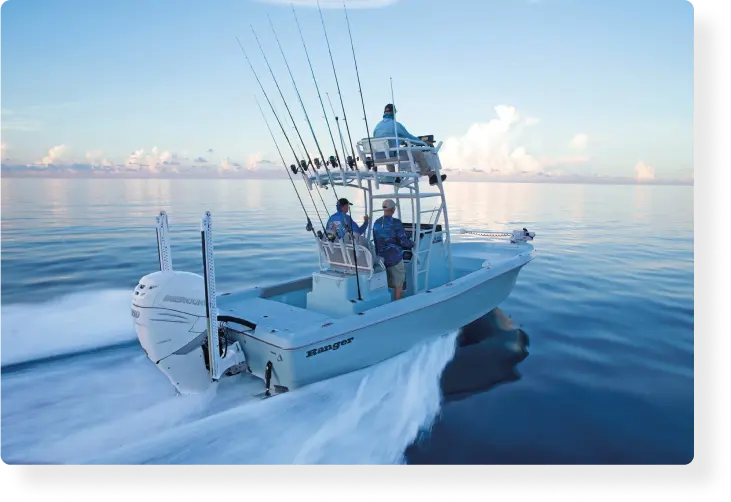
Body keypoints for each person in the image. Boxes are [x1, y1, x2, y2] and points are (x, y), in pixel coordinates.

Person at [372, 103, 447, 186]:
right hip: (392, 154)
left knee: (388, 154)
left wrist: (400, 142)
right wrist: (423, 143)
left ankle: (392, 175)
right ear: (394, 113)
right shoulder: (396, 125)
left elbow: (384, 140)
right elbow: (409, 138)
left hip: (379, 156)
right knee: (418, 153)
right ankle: (431, 176)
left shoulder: (377, 126)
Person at [372, 199, 414, 300]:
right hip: (394, 259)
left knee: (386, 283)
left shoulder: (376, 223)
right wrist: (413, 243)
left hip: (381, 259)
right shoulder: (396, 223)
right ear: (393, 209)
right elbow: (404, 242)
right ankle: (398, 306)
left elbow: (375, 240)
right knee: (398, 285)